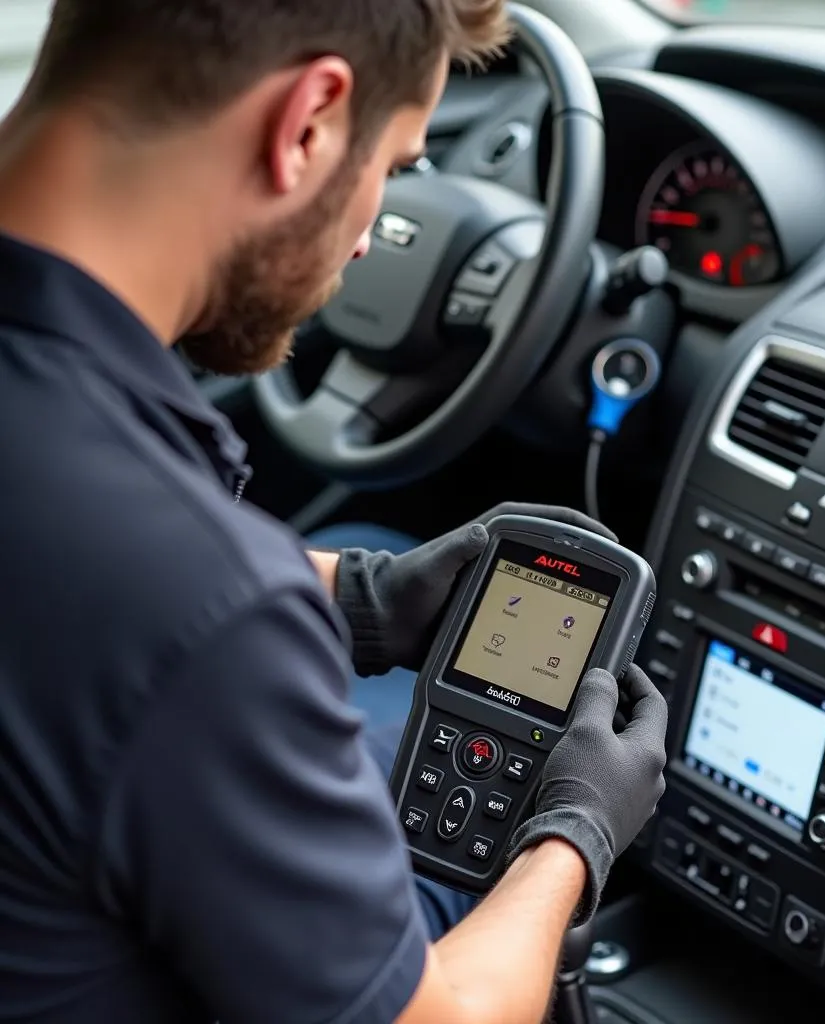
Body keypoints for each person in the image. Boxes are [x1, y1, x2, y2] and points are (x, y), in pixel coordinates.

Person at [0, 2, 669, 1023]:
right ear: (308, 121)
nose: (372, 237)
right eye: (396, 169)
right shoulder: (204, 608)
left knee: (377, 549)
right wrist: (573, 832)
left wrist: (357, 598)